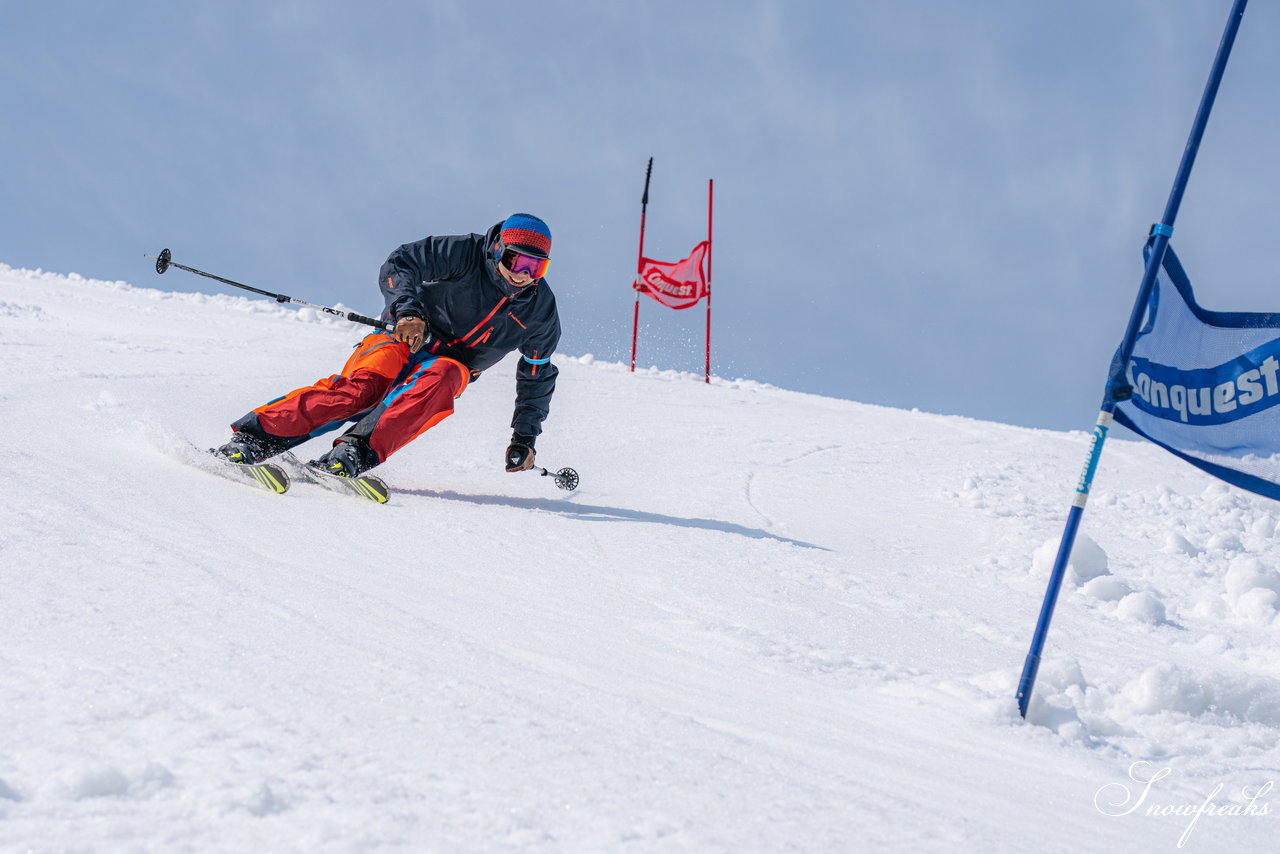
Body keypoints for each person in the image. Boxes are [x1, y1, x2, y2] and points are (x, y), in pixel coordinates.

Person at [216, 213, 561, 477]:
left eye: (536, 267)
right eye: (517, 261)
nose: (523, 275)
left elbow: (536, 376)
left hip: (451, 364)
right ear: (498, 247)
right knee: (363, 391)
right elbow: (401, 263)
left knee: (442, 378)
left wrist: (524, 439)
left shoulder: (540, 312)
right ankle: (256, 437)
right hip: (404, 336)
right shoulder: (464, 253)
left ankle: (353, 453)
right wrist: (407, 310)